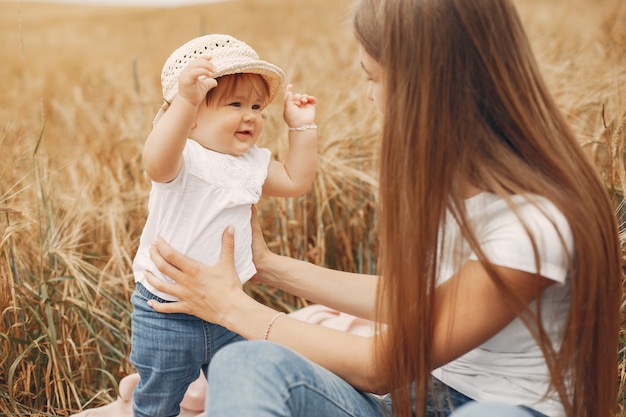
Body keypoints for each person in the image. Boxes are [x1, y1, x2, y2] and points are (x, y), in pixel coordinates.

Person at [144, 1, 622, 416]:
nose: (370, 95)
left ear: (430, 82)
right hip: (417, 397)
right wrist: (268, 267)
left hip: (498, 409)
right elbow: (417, 301)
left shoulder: (536, 222)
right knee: (243, 365)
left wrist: (232, 307)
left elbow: (382, 365)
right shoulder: (457, 181)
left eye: (374, 77)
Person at [130, 33, 317, 417]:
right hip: (168, 312)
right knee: (159, 398)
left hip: (231, 306)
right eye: (235, 104)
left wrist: (301, 128)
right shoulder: (183, 158)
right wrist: (185, 100)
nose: (250, 115)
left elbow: (297, 181)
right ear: (192, 116)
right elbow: (154, 162)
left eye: (256, 106)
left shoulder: (252, 163)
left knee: (241, 384)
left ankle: (210, 399)